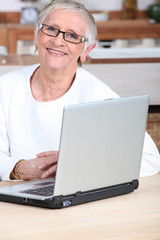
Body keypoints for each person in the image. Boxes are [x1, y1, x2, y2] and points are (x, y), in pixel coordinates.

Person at [0, 0, 160, 181]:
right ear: (37, 36)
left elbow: (150, 160)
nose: (58, 40)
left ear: (86, 50)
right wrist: (17, 168)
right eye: (51, 29)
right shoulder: (5, 87)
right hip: (15, 201)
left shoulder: (100, 96)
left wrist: (78, 162)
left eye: (72, 36)